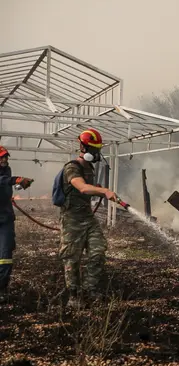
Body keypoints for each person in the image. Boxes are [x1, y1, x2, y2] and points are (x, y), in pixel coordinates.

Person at [59, 128, 116, 309]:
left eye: (98, 149)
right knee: (72, 258)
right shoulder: (72, 167)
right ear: (83, 148)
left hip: (88, 217)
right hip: (72, 219)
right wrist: (103, 190)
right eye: (93, 149)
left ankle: (91, 289)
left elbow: (88, 188)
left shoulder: (89, 168)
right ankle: (74, 296)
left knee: (98, 252)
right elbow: (82, 187)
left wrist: (96, 188)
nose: (96, 153)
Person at [0, 146, 34, 304]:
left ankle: (1, 287)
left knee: (5, 254)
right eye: (1, 157)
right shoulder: (6, 174)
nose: (4, 160)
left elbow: (5, 182)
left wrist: (19, 184)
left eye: (6, 157)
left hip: (5, 219)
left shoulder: (6, 169)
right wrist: (16, 180)